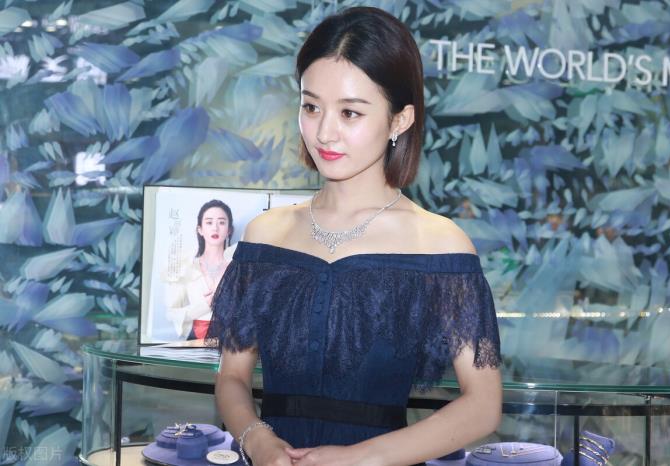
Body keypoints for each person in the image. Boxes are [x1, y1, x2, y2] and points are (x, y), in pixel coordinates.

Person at [206, 6, 502, 465]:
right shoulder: (266, 234)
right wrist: (256, 440)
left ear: (400, 120)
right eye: (311, 107)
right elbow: (231, 378)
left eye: (350, 113)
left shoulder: (439, 244)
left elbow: (482, 405)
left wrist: (361, 458)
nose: (325, 132)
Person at [167, 199, 234, 340]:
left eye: (221, 222)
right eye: (209, 222)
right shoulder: (186, 267)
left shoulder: (238, 267)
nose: (215, 228)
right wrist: (205, 305)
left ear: (229, 230)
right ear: (200, 229)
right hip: (196, 340)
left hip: (232, 341)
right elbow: (171, 314)